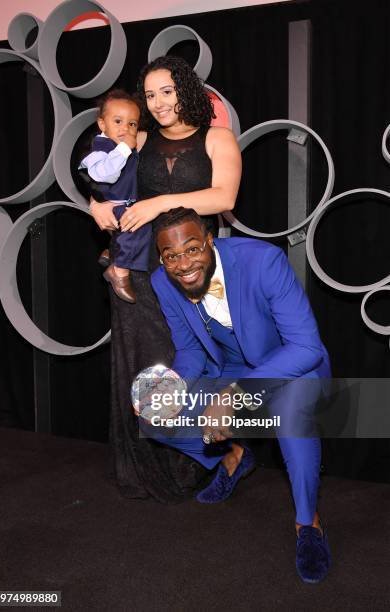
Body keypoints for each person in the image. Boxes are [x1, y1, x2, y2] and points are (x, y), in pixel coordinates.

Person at [149, 207, 332, 583]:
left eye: (192, 249)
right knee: (154, 416)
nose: (183, 264)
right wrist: (170, 387)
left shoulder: (263, 261)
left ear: (210, 240)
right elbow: (191, 352)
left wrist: (234, 394)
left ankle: (307, 523)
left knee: (293, 415)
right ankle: (234, 456)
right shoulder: (162, 282)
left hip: (290, 367)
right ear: (161, 258)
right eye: (171, 255)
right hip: (231, 367)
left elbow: (306, 347)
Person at [88, 56, 242, 502]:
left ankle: (210, 458)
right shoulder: (140, 139)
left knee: (188, 365)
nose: (157, 103)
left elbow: (224, 196)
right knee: (143, 366)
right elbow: (104, 176)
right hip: (139, 271)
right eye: (150, 94)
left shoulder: (217, 137)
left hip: (191, 275)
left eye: (167, 91)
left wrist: (160, 203)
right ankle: (144, 469)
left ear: (186, 91)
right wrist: (92, 205)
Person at [79, 89, 149, 303]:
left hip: (128, 203)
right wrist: (125, 149)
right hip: (116, 205)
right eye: (118, 121)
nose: (125, 129)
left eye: (132, 124)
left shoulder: (125, 147)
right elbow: (106, 175)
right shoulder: (101, 150)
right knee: (138, 228)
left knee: (142, 231)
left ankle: (113, 252)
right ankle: (119, 271)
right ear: (102, 124)